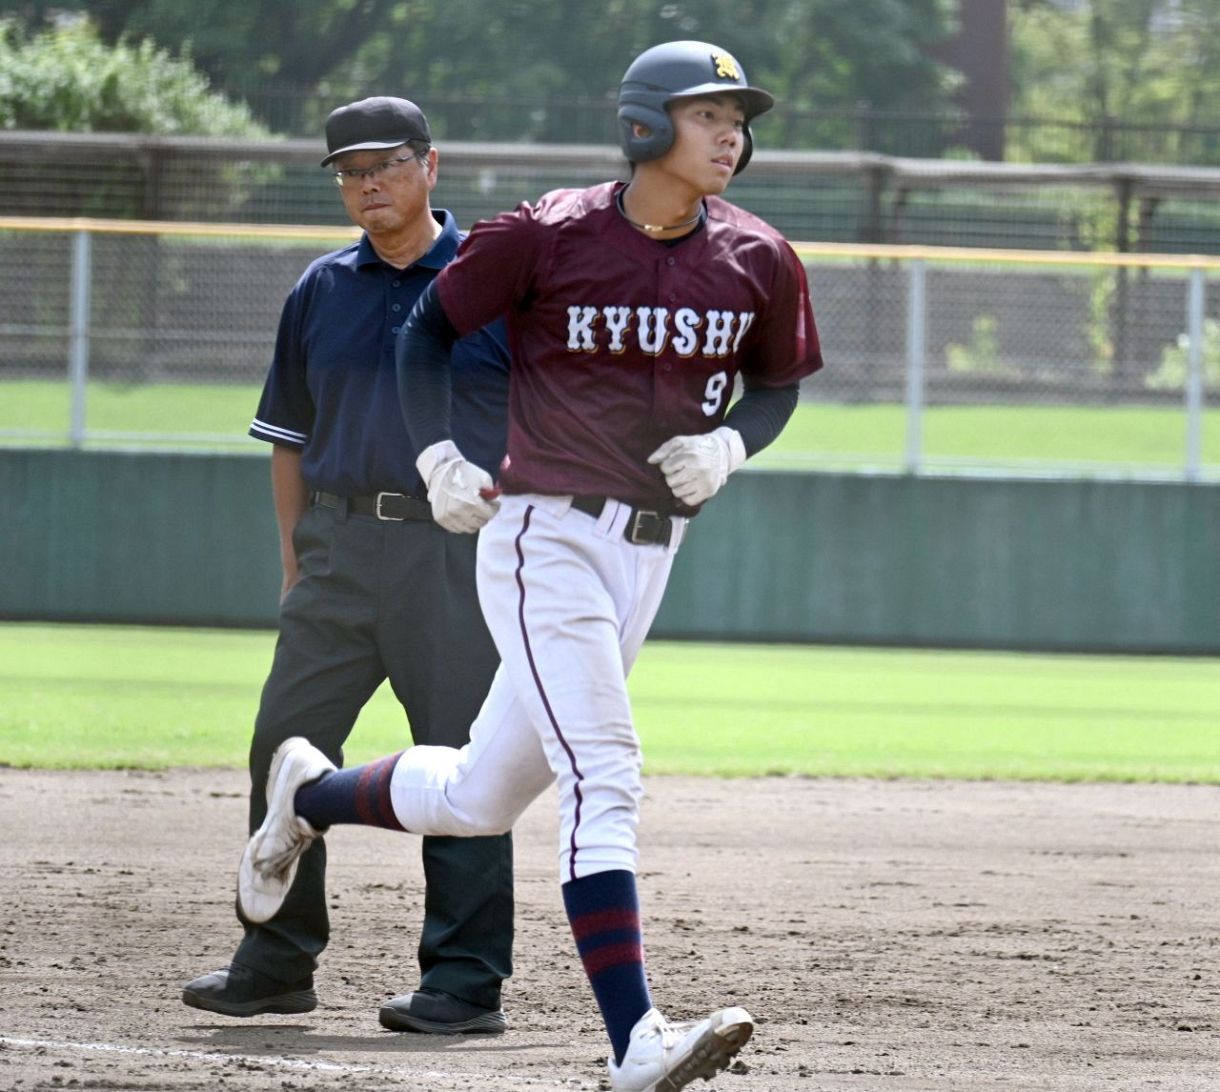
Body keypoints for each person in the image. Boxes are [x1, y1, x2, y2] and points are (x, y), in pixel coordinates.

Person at [234, 40, 822, 1091]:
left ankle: (309, 797)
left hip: (648, 552)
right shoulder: (545, 234)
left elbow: (774, 384)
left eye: (738, 116)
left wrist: (734, 439)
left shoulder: (758, 256)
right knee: (606, 770)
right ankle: (635, 1040)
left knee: (477, 794)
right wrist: (437, 454)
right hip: (541, 535)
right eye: (706, 113)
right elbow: (424, 334)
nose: (731, 132)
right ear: (644, 126)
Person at [181, 96, 515, 1035]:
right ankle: (277, 960)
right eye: (348, 169)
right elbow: (288, 439)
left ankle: (464, 982)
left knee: (461, 764)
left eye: (385, 163)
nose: (367, 182)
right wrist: (296, 560)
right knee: (282, 744)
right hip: (335, 551)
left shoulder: (492, 285)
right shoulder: (320, 289)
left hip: (452, 556)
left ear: (430, 166)